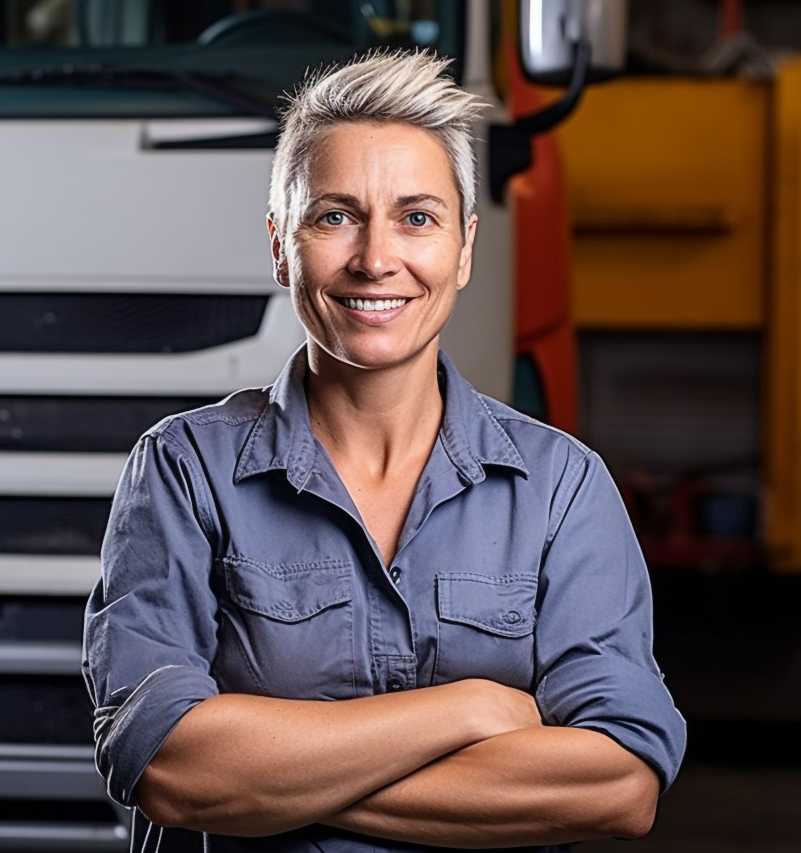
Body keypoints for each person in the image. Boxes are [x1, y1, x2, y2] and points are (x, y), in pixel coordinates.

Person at [82, 51, 686, 853]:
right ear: (280, 244)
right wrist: (467, 709)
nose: (375, 258)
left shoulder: (561, 487)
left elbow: (619, 782)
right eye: (335, 215)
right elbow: (168, 768)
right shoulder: (184, 473)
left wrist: (269, 783)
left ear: (465, 247)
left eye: (417, 217)